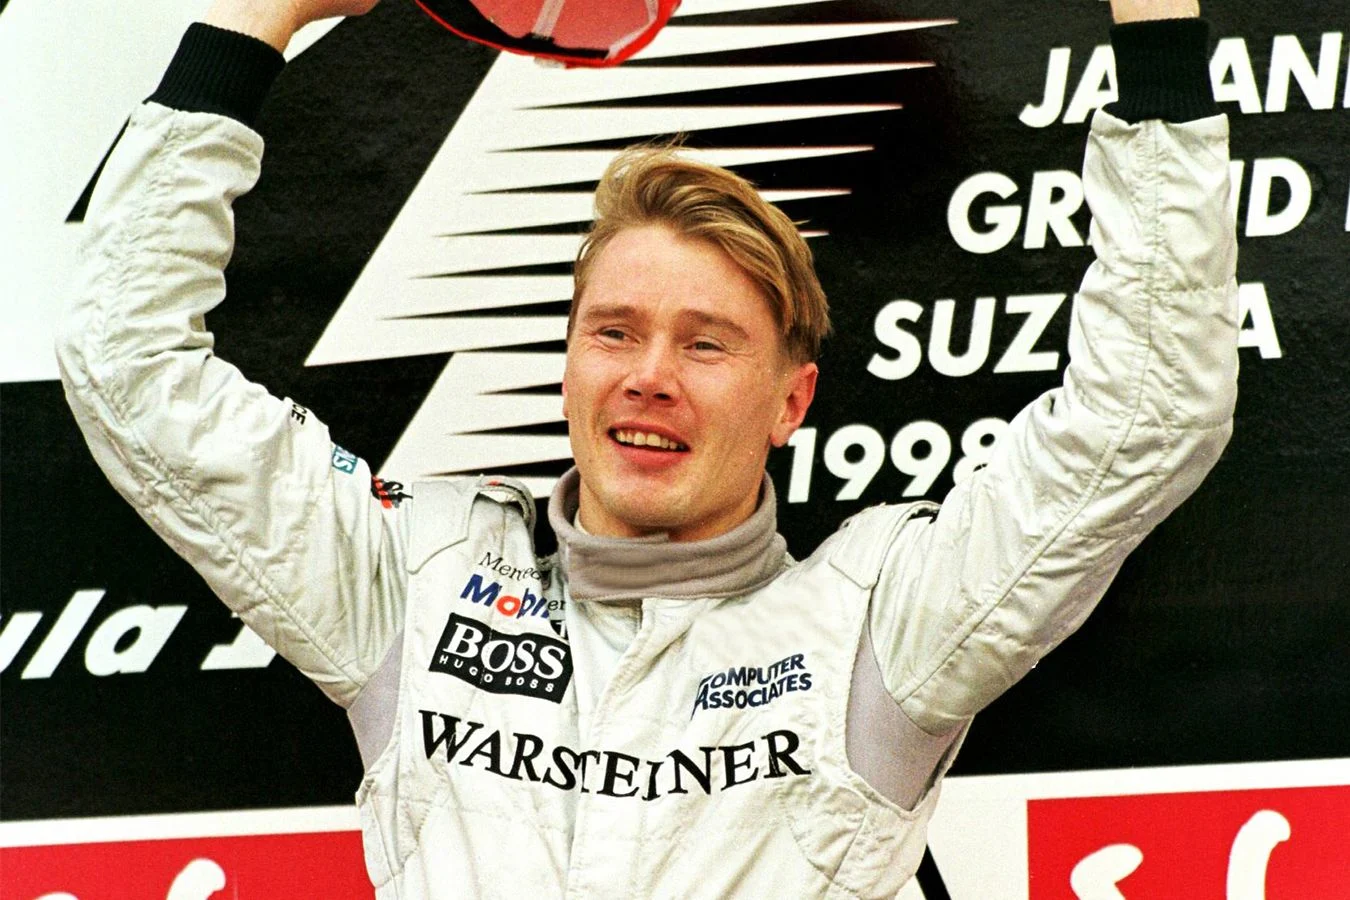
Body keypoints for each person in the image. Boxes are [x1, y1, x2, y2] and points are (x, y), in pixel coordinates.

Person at [56, 0, 1238, 895]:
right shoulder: (413, 575)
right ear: (570, 362)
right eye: (613, 332)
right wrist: (258, 17)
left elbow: (1148, 411)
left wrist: (1155, 22)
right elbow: (126, 362)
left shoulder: (882, 621)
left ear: (791, 402)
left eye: (707, 344)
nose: (649, 375)